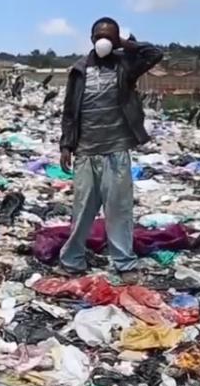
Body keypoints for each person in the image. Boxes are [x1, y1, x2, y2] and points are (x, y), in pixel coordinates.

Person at [59, 17, 163, 277]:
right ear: (91, 38)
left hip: (116, 149)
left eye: (110, 36)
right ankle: (72, 260)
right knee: (82, 209)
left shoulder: (125, 66)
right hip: (85, 151)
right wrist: (66, 145)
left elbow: (155, 54)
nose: (103, 40)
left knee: (119, 209)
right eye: (100, 36)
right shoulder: (80, 70)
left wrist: (124, 44)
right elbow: (70, 111)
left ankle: (123, 262)